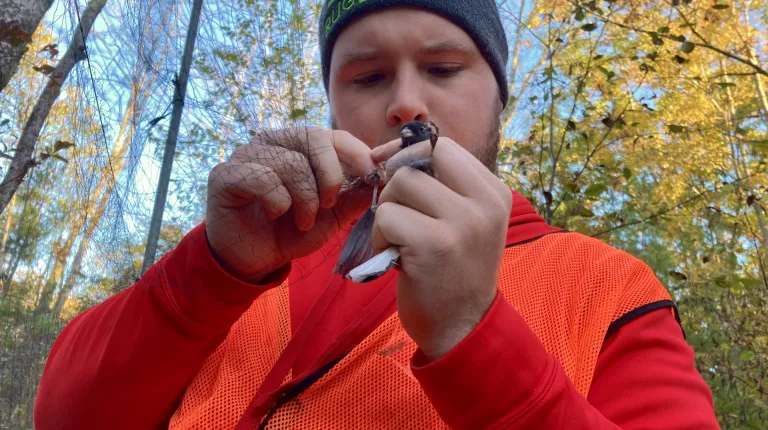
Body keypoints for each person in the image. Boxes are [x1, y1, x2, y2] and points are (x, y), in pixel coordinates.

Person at [34, 1, 720, 428]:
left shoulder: (608, 286)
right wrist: (212, 272)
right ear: (333, 104)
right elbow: (66, 416)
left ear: (499, 99)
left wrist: (473, 335)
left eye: (444, 68)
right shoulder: (253, 254)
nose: (405, 104)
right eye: (367, 77)